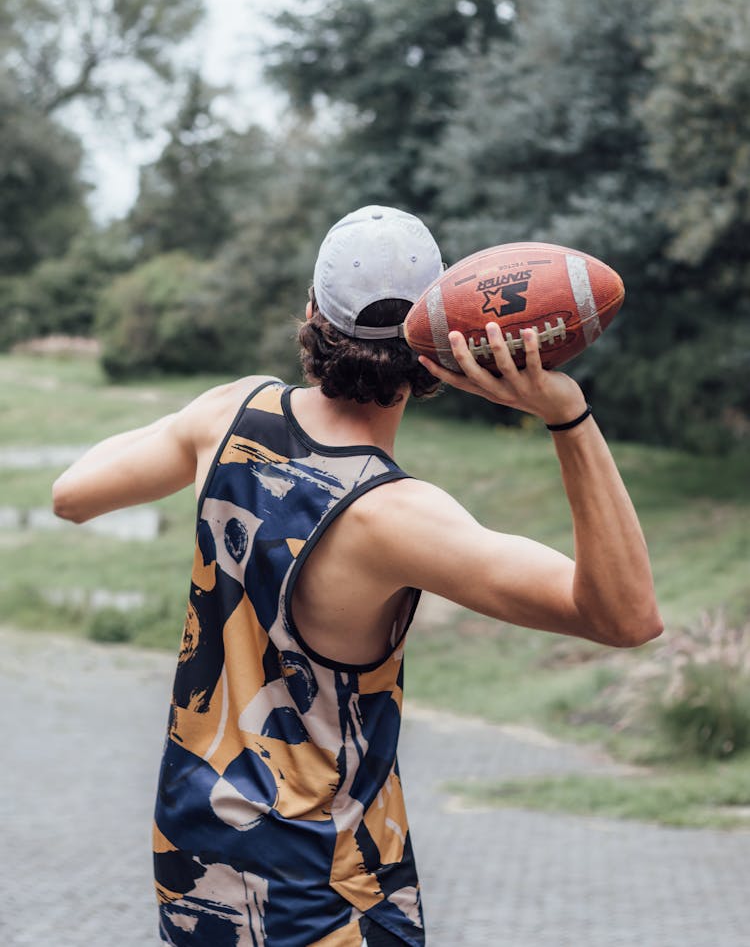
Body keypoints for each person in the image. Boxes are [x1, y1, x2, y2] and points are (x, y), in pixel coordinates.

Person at [52, 205, 662, 947]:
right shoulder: (394, 518)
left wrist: (195, 431)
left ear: (310, 316)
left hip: (196, 873)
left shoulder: (229, 414)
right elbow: (625, 615)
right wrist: (568, 415)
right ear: (436, 346)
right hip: (325, 900)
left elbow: (71, 493)